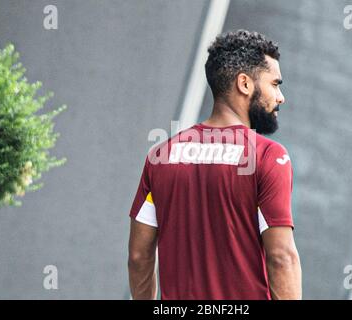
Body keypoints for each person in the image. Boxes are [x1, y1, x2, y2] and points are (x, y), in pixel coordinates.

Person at [128, 29, 302, 300]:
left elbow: (139, 256)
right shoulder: (268, 156)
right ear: (244, 84)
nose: (280, 97)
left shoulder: (161, 156)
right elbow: (281, 257)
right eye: (275, 84)